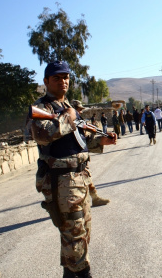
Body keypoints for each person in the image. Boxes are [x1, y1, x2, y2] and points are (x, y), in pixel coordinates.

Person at [28, 61, 116, 277]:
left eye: (66, 77)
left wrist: (100, 141)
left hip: (81, 179)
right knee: (75, 237)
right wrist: (70, 117)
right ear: (46, 81)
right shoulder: (42, 108)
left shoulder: (66, 107)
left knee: (81, 235)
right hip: (63, 182)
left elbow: (78, 140)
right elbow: (42, 135)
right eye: (57, 78)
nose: (63, 81)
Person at [72, 100, 111, 207]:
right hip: (69, 162)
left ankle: (95, 198)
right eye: (78, 110)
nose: (80, 112)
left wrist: (101, 140)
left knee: (87, 178)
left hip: (80, 159)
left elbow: (84, 141)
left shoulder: (78, 121)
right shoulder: (65, 122)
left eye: (80, 110)